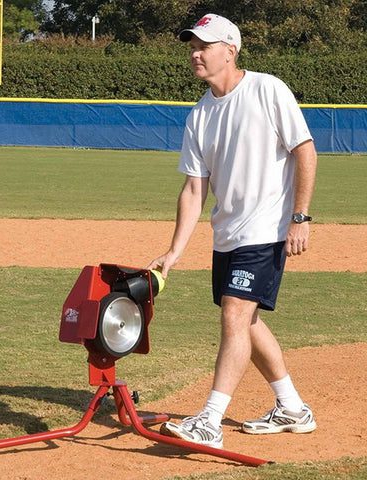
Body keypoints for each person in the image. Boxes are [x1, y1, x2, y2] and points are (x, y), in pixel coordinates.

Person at [147, 13, 318, 449]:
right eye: (191, 45)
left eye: (203, 45)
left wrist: (300, 217)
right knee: (249, 320)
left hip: (266, 229)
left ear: (230, 50)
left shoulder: (267, 89)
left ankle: (210, 419)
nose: (195, 53)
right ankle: (292, 407)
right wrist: (174, 251)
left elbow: (305, 150)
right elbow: (192, 189)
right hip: (228, 233)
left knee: (235, 314)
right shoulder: (200, 115)